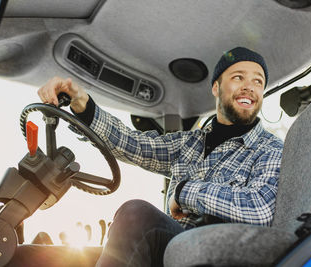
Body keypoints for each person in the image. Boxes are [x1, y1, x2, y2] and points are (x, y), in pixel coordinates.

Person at [37, 47, 283, 267]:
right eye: (238, 77)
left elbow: (259, 209)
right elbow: (131, 144)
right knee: (40, 258)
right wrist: (82, 103)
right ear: (216, 88)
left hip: (219, 257)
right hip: (171, 253)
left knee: (136, 215)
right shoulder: (189, 144)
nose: (249, 86)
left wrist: (184, 192)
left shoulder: (270, 149)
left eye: (258, 81)